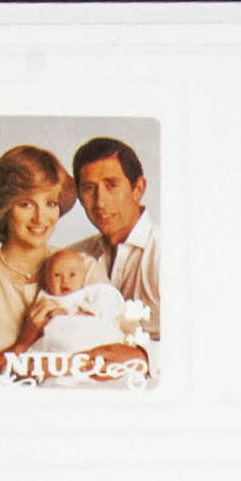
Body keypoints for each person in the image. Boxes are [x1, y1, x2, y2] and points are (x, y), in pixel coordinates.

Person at [0, 145, 77, 380]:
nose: (40, 218)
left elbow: (113, 353)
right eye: (26, 204)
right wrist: (20, 346)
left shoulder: (80, 267)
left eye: (51, 203)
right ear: (4, 208)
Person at [69, 136, 161, 340]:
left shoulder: (165, 252)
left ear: (138, 188)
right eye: (89, 188)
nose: (100, 202)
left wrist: (142, 353)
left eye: (111, 185)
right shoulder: (73, 257)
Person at [32, 247, 132, 356]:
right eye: (57, 275)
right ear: (47, 281)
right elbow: (38, 322)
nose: (65, 281)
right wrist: (50, 316)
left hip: (93, 337)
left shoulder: (90, 293)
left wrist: (92, 312)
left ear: (84, 279)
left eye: (72, 275)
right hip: (62, 343)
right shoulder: (47, 299)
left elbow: (111, 304)